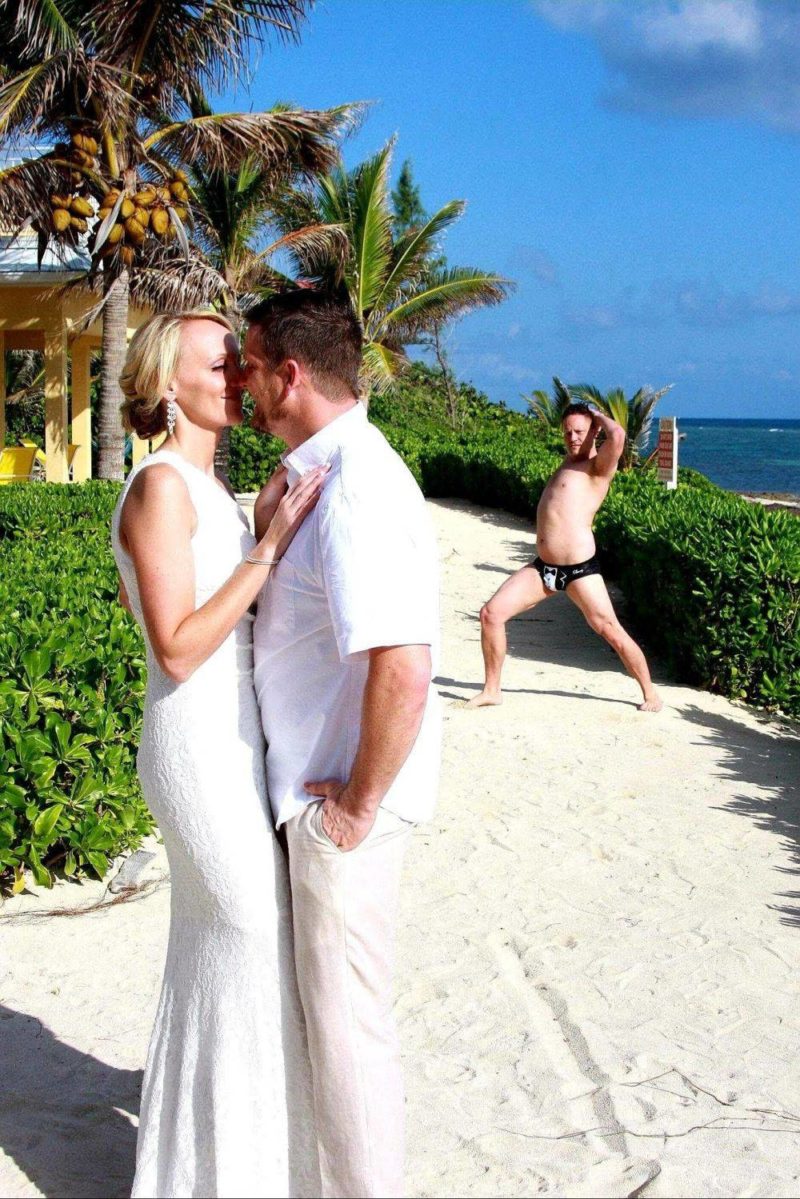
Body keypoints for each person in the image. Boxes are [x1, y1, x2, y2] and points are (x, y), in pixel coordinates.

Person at [111, 309, 327, 1199]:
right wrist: (268, 547)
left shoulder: (211, 490)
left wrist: (261, 528)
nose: (239, 374)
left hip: (240, 741)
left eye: (240, 361)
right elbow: (175, 646)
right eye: (219, 363)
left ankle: (214, 1169)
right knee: (243, 931)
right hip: (194, 743)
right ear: (168, 382)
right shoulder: (160, 487)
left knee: (229, 947)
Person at [244, 290, 441, 1199]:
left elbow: (404, 666)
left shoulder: (357, 484)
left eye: (251, 367)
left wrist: (356, 807)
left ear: (290, 374)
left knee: (350, 1038)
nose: (243, 385)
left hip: (342, 805)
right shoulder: (324, 474)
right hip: (323, 790)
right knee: (334, 1034)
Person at [468, 401, 663, 713]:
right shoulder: (567, 463)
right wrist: (583, 423)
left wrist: (596, 416)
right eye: (568, 432)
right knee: (491, 614)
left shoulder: (598, 467)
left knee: (610, 630)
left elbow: (618, 435)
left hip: (580, 571)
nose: (573, 437)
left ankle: (650, 694)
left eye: (580, 432)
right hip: (544, 569)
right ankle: (492, 690)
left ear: (594, 432)